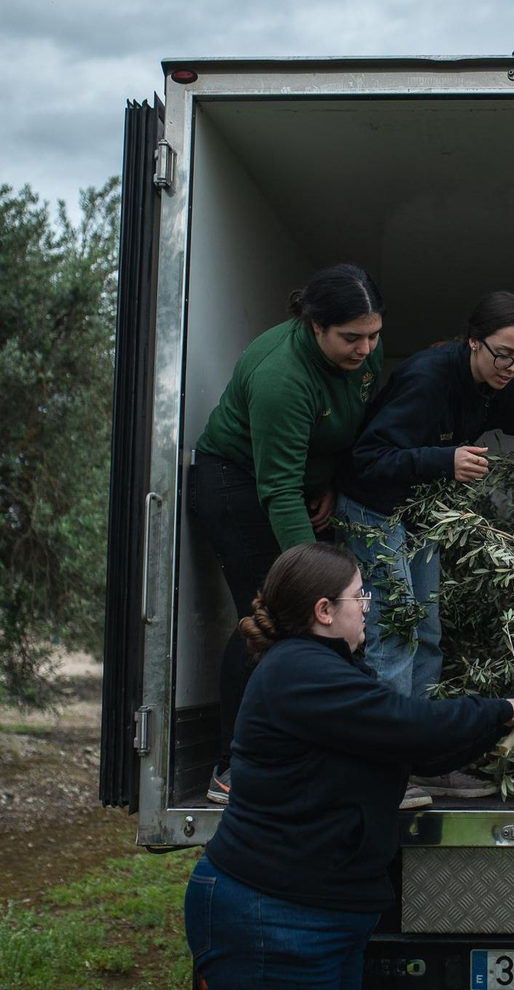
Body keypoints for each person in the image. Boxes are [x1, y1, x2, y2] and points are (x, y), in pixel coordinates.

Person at [184, 542, 514, 990]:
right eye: (360, 596)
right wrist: (496, 709)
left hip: (319, 913)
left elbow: (416, 751)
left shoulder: (332, 670)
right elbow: (409, 724)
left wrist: (509, 710)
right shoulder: (300, 671)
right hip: (274, 917)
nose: (366, 609)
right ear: (324, 610)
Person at [336, 290, 514, 805]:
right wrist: (443, 461)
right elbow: (365, 461)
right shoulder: (428, 378)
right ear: (473, 342)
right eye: (504, 354)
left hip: (420, 514)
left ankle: (426, 760)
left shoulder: (504, 381)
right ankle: (383, 772)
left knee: (428, 631)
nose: (513, 367)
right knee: (394, 635)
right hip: (374, 509)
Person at [188, 264, 385, 806]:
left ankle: (305, 747)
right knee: (268, 611)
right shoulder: (282, 376)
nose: (366, 348)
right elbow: (276, 487)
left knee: (305, 611)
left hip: (296, 479)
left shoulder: (364, 354)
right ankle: (230, 766)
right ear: (314, 326)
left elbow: (351, 427)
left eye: (374, 335)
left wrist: (328, 484)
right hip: (239, 484)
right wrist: (319, 568)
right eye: (351, 338)